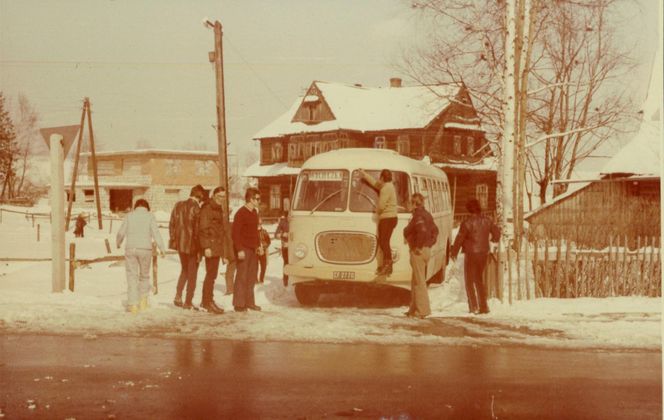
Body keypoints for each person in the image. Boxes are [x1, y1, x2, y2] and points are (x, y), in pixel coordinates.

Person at [451, 198, 501, 315]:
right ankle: (484, 307)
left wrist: (454, 252)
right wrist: (493, 240)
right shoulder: (487, 220)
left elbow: (459, 239)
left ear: (469, 209)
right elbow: (497, 232)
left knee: (469, 281)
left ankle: (473, 306)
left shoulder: (467, 223)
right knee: (479, 279)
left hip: (471, 253)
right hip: (483, 253)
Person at [116, 199, 166, 314]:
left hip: (131, 249)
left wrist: (118, 242)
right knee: (144, 276)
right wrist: (162, 248)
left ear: (136, 207)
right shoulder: (150, 216)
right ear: (146, 207)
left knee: (132, 276)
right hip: (145, 249)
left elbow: (121, 232)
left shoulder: (129, 216)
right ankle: (143, 302)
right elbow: (156, 233)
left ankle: (133, 305)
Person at [169, 184, 207, 310]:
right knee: (192, 274)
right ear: (199, 196)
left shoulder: (178, 205)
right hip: (193, 246)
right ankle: (188, 301)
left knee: (184, 270)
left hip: (180, 245)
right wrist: (200, 249)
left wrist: (174, 240)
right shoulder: (197, 208)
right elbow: (197, 231)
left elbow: (172, 224)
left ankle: (178, 295)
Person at [403, 193, 438, 319]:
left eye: (409, 203)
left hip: (418, 251)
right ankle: (413, 309)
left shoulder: (418, 216)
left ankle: (422, 310)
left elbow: (422, 231)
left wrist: (418, 246)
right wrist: (429, 243)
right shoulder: (427, 214)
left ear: (414, 204)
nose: (407, 206)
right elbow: (435, 231)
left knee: (419, 281)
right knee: (415, 280)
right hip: (426, 250)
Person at [359, 168, 397, 276]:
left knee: (383, 242)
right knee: (385, 242)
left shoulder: (385, 189)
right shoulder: (389, 186)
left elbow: (381, 206)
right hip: (392, 218)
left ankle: (388, 266)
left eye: (380, 177)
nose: (378, 179)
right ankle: (386, 266)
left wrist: (375, 210)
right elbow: (375, 184)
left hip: (387, 219)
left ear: (382, 178)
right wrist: (365, 175)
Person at [198, 186, 229, 314]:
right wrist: (206, 247)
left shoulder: (218, 208)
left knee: (213, 275)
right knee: (210, 275)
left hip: (216, 245)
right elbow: (203, 229)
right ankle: (206, 302)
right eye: (220, 196)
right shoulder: (208, 208)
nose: (222, 199)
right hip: (210, 246)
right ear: (214, 196)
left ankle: (208, 300)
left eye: (224, 197)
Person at [231, 187, 262, 312]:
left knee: (251, 277)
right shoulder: (240, 213)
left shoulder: (255, 212)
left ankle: (250, 302)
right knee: (242, 277)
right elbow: (235, 233)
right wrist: (239, 250)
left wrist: (259, 246)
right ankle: (239, 304)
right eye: (257, 199)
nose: (259, 201)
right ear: (250, 199)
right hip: (243, 249)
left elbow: (256, 232)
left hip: (253, 249)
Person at [222, 209, 236, 295]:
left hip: (232, 254)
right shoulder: (231, 226)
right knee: (231, 273)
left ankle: (230, 290)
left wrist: (224, 256)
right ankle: (231, 290)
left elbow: (224, 243)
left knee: (229, 273)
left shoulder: (225, 227)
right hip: (235, 253)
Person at [274, 211, 289, 286]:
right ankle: (285, 280)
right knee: (286, 263)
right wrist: (283, 234)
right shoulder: (283, 222)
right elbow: (276, 234)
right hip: (286, 246)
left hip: (299, 247)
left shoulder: (299, 221)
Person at [257, 219, 271, 284]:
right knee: (255, 266)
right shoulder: (253, 232)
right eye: (257, 224)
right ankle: (255, 280)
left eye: (260, 224)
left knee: (263, 266)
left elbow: (269, 241)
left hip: (263, 251)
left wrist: (264, 247)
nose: (259, 225)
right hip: (255, 251)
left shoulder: (264, 232)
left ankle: (261, 279)